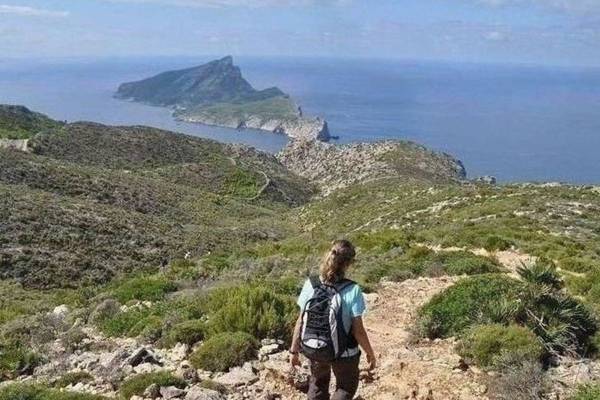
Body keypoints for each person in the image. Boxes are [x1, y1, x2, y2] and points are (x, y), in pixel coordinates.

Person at [289, 240, 376, 400]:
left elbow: (300, 321)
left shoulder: (311, 283)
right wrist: (370, 353)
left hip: (315, 347)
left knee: (317, 384)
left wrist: (294, 351)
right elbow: (358, 331)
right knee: (345, 387)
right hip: (345, 352)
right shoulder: (353, 289)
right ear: (348, 263)